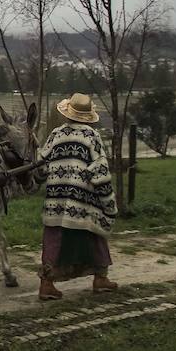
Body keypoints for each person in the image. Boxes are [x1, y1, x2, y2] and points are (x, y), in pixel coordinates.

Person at [38, 93, 119, 300]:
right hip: (84, 201)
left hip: (56, 200)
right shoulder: (91, 136)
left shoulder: (55, 134)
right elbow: (100, 173)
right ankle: (100, 278)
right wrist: (109, 204)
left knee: (54, 239)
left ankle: (46, 284)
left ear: (68, 114)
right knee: (96, 233)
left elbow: (40, 166)